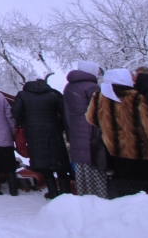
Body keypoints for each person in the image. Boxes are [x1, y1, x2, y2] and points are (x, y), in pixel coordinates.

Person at [85, 68, 148, 198]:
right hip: (139, 152)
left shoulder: (99, 97)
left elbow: (90, 118)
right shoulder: (136, 97)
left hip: (114, 150)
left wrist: (108, 126)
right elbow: (147, 125)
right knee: (143, 187)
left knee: (123, 186)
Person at [11, 78, 71, 199]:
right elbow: (64, 113)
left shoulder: (23, 95)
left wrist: (24, 121)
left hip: (34, 132)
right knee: (59, 160)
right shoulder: (53, 95)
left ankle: (53, 191)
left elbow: (15, 113)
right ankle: (65, 191)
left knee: (43, 162)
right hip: (53, 130)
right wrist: (61, 126)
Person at [62, 61, 106, 198]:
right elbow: (98, 112)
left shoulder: (69, 87)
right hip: (91, 130)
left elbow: (67, 112)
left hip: (75, 129)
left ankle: (84, 194)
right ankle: (100, 195)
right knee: (95, 162)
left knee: (82, 164)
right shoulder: (92, 87)